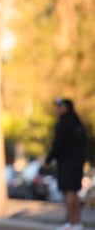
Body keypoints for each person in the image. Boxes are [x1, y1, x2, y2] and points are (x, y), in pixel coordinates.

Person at [44, 98, 87, 230]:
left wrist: (48, 160)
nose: (57, 110)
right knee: (75, 193)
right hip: (78, 163)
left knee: (68, 192)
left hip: (67, 163)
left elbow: (57, 144)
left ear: (65, 108)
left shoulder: (64, 124)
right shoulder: (78, 124)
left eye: (59, 107)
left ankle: (71, 223)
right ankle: (77, 223)